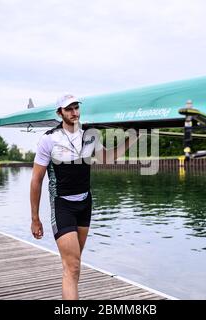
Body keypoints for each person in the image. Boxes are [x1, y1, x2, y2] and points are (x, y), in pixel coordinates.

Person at [30, 93, 138, 300]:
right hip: (62, 206)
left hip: (85, 204)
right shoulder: (49, 139)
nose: (74, 112)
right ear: (59, 113)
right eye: (69, 109)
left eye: (76, 108)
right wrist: (35, 218)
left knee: (74, 267)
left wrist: (133, 138)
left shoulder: (90, 135)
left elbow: (106, 157)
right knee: (72, 266)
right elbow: (36, 180)